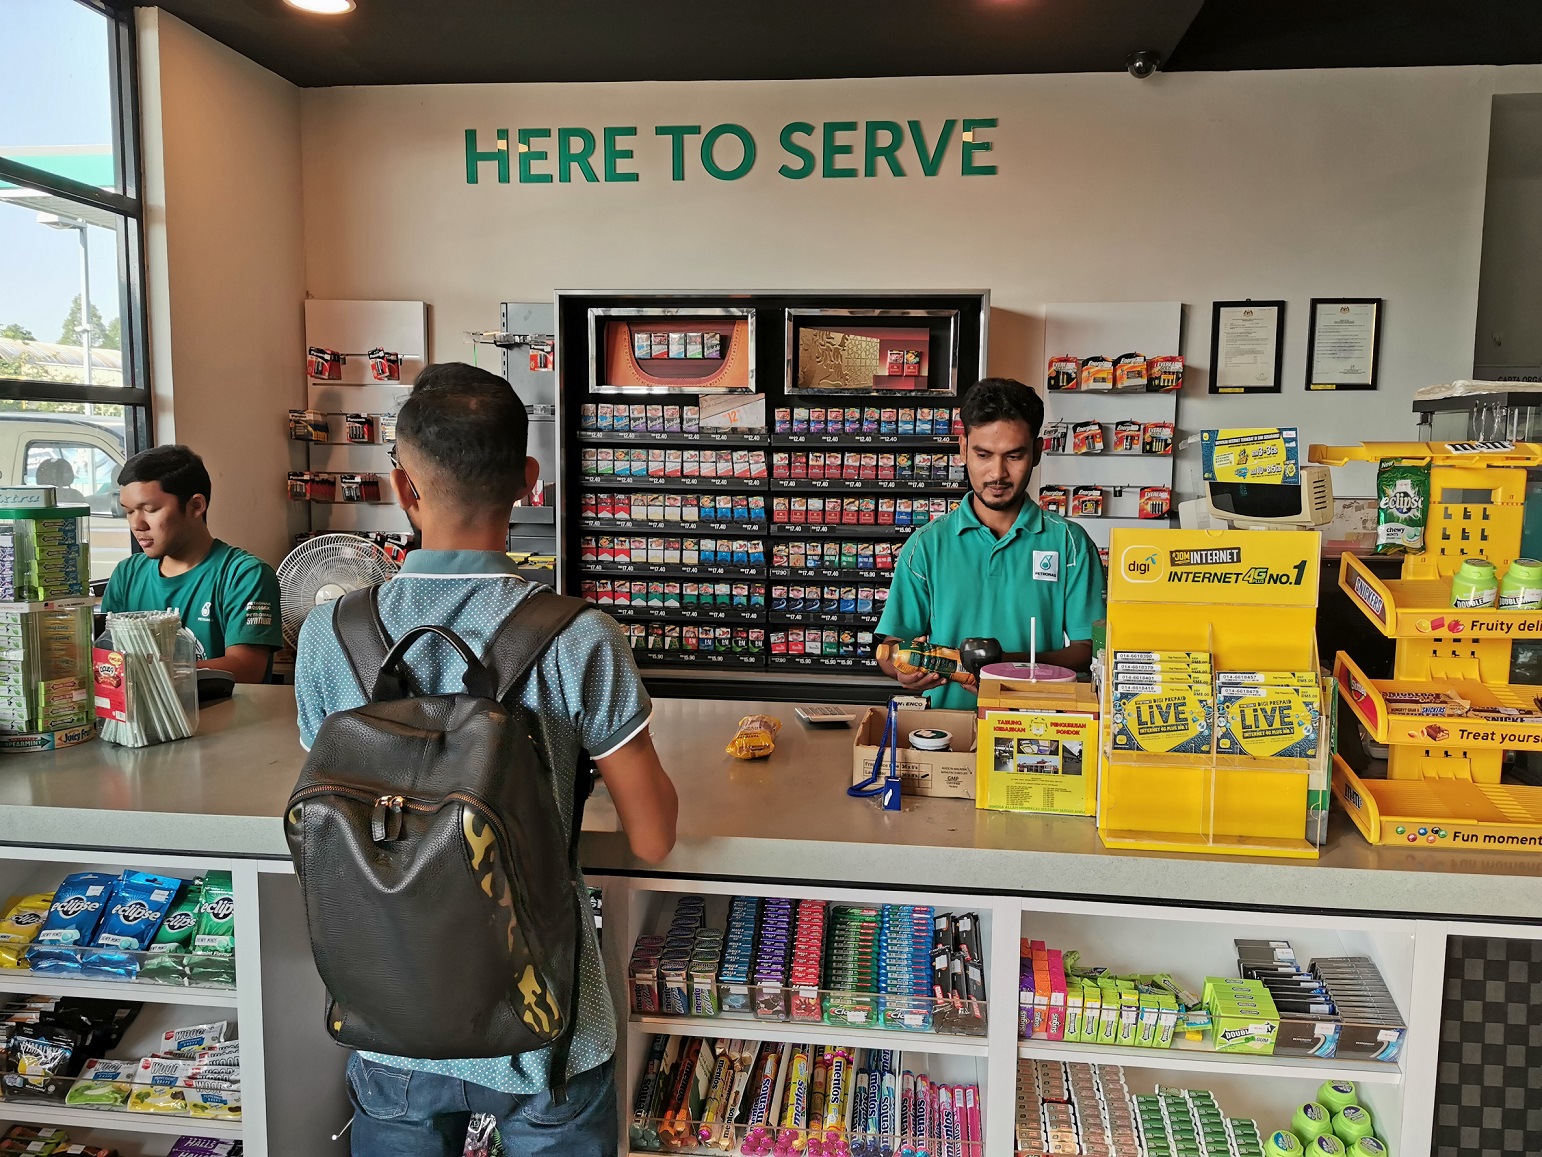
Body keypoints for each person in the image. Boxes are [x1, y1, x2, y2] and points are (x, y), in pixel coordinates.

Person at [295, 362, 678, 1157]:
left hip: (389, 1010)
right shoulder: (580, 635)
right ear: (530, 481)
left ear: (403, 486)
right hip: (546, 1028)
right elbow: (654, 837)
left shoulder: (329, 635)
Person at [875, 377, 1105, 709]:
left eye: (1013, 456)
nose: (997, 473)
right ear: (963, 448)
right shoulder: (926, 545)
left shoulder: (1070, 544)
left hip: (1036, 732)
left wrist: (1003, 666)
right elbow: (894, 643)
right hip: (946, 733)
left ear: (1037, 453)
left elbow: (1089, 649)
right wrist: (900, 669)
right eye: (983, 454)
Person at [101, 445, 283, 683]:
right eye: (129, 512)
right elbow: (105, 657)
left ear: (196, 506)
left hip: (228, 718)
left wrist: (149, 672)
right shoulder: (127, 574)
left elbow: (246, 668)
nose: (137, 524)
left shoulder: (245, 576)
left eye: (150, 510)